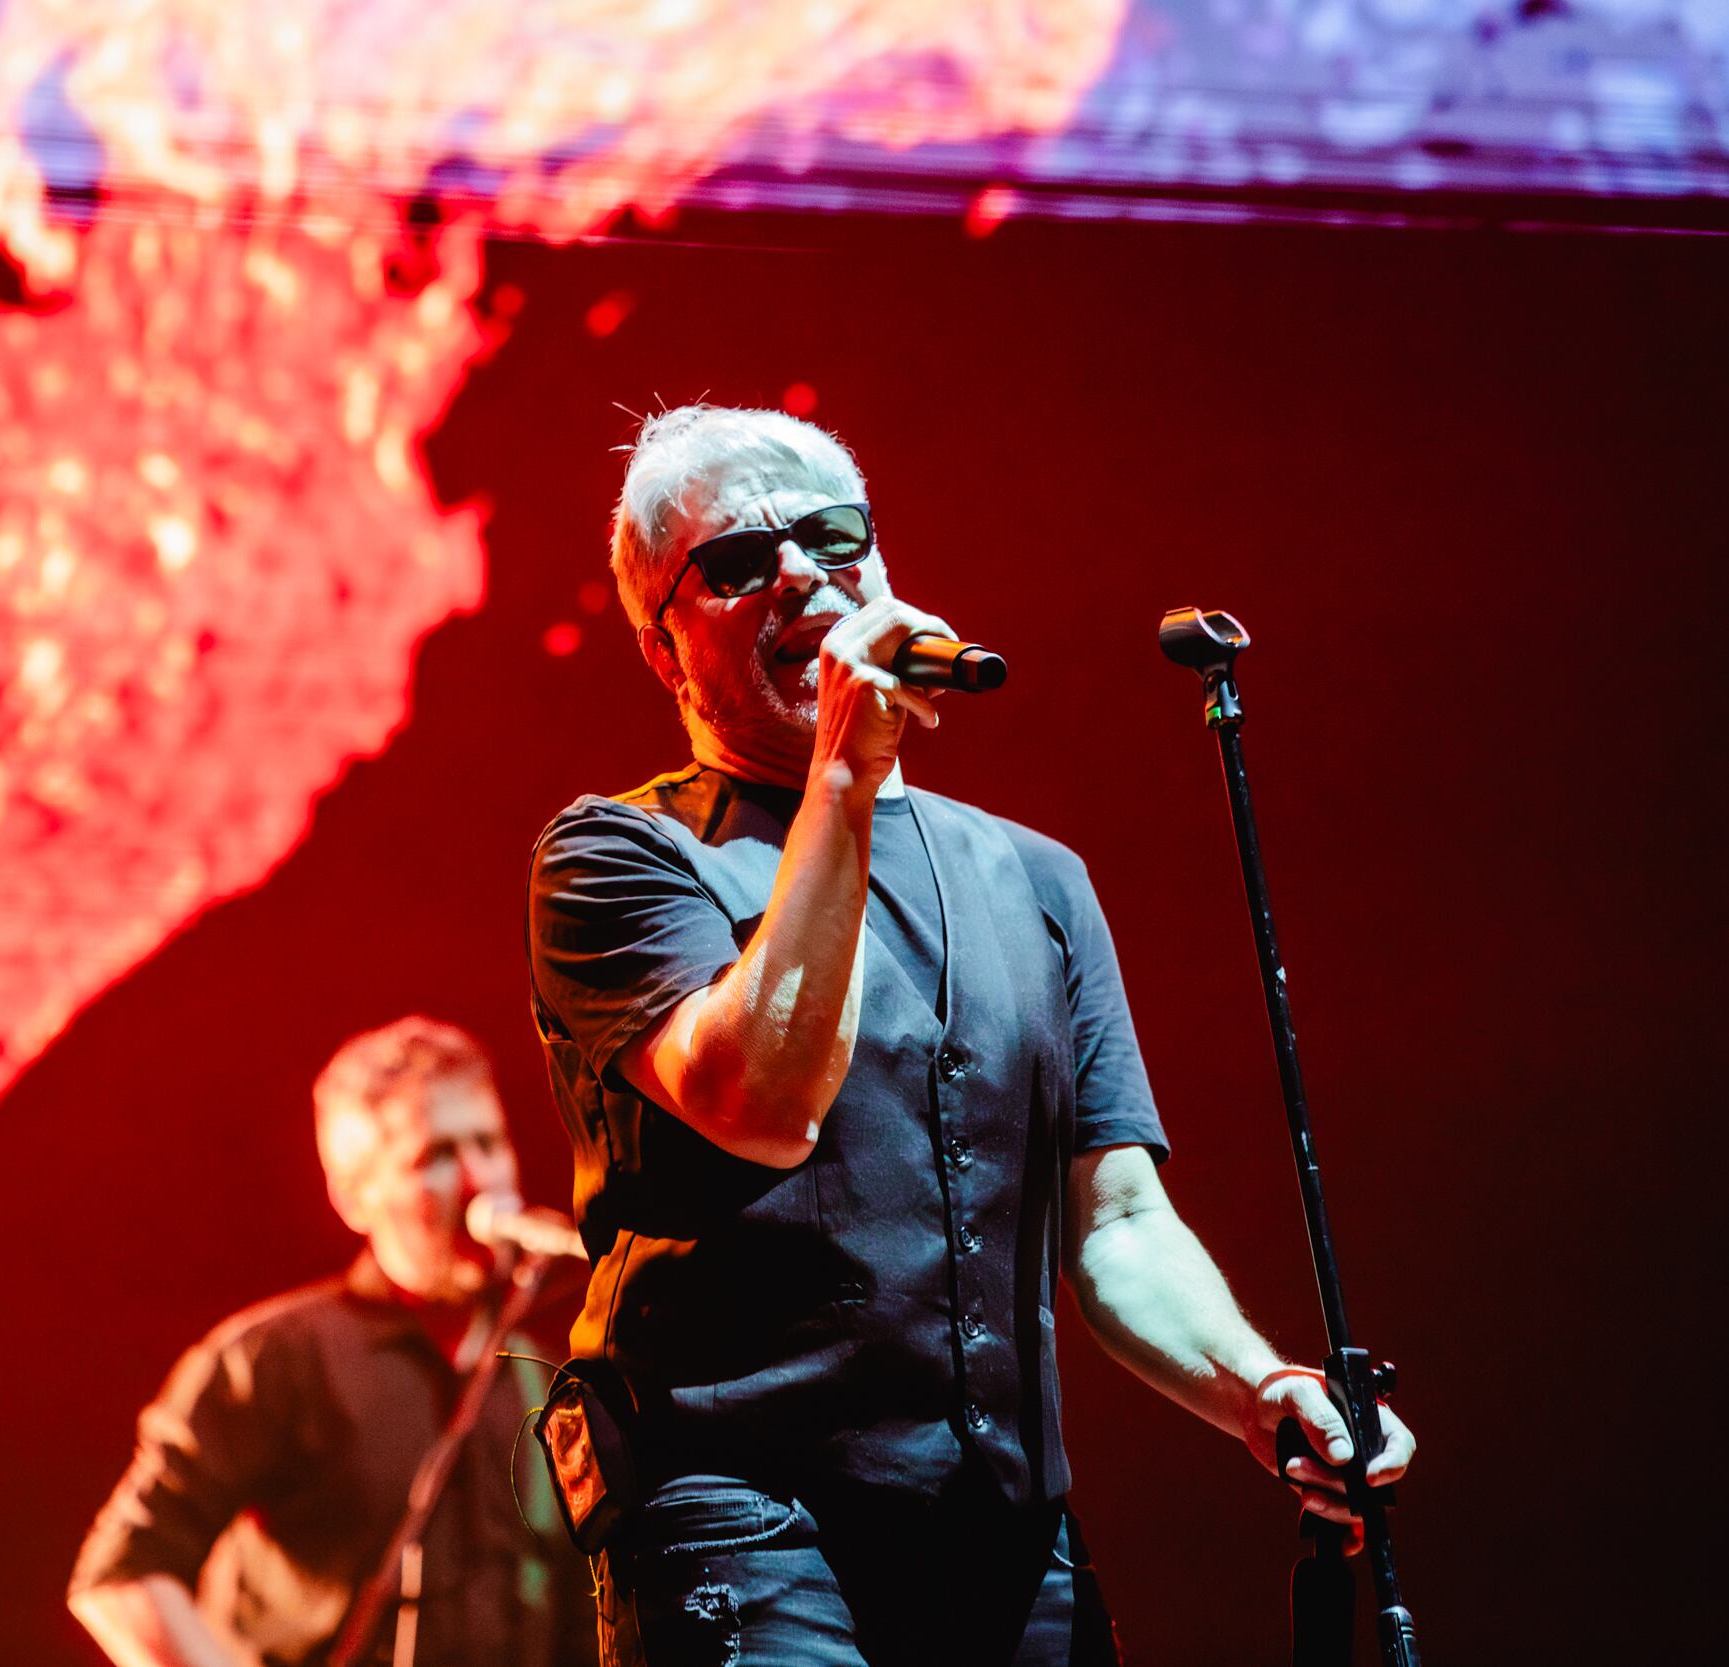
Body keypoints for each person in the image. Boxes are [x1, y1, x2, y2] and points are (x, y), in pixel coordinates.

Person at [522, 405, 1416, 1665]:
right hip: (744, 1532)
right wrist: (842, 770)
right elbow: (761, 1099)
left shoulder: (1033, 878)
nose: (798, 573)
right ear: (665, 652)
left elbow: (1113, 1220)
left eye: (832, 538)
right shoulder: (618, 857)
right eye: (734, 564)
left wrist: (1259, 1392)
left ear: (881, 566)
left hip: (1001, 1541)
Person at [69, 1016, 597, 1667]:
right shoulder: (274, 1360)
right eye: (435, 1155)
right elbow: (122, 1577)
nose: (476, 1180)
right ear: (352, 1195)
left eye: (489, 1142)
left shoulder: (547, 1383)